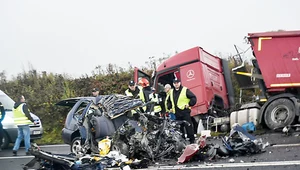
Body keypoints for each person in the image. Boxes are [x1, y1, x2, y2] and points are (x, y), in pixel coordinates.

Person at [167, 79, 197, 143]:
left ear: (180, 83)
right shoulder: (171, 91)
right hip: (176, 112)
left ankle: (192, 139)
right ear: (173, 84)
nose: (176, 84)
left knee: (188, 125)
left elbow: (193, 97)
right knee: (179, 127)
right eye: (175, 83)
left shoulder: (185, 90)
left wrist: (189, 104)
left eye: (177, 82)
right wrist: (170, 108)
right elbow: (168, 101)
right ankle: (181, 140)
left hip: (185, 111)